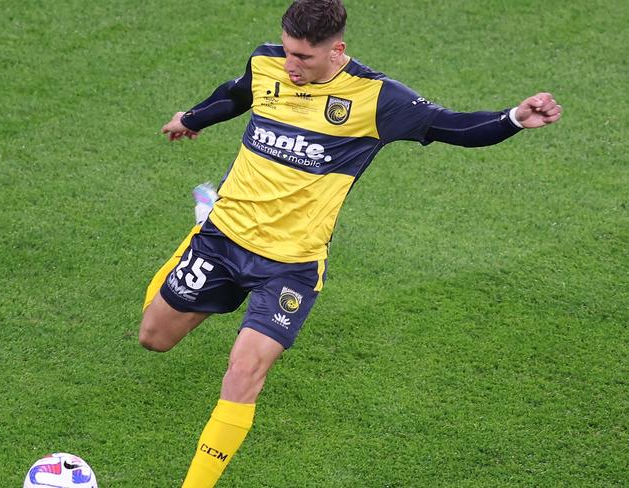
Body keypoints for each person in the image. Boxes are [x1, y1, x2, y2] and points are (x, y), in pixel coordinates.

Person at [138, 0, 562, 486]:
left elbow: (454, 126)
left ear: (337, 49)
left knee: (244, 375)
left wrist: (513, 118)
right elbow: (237, 94)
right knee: (155, 338)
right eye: (289, 52)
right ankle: (203, 219)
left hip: (291, 265)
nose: (291, 65)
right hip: (223, 238)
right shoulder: (268, 63)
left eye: (305, 58)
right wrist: (192, 119)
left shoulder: (376, 98)